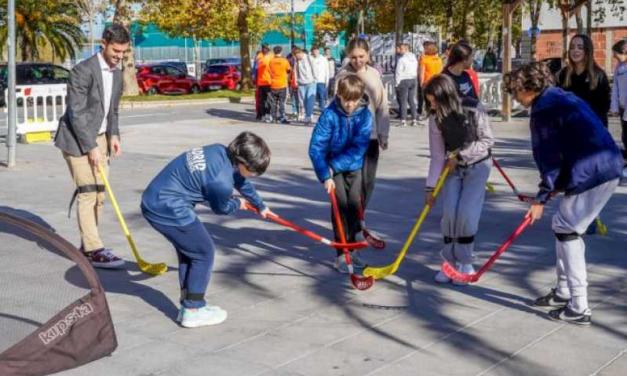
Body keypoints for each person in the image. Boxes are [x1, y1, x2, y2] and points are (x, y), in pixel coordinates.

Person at [504, 63, 622, 325]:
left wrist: (542, 198)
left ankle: (579, 305)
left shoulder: (543, 110)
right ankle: (564, 291)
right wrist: (554, 187)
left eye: (515, 92)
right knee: (564, 227)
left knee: (567, 229)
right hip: (605, 164)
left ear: (527, 88)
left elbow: (548, 158)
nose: (514, 98)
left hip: (592, 172)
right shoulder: (559, 96)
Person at [141, 132, 273, 328]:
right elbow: (221, 207)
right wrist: (238, 204)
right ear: (242, 162)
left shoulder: (219, 151)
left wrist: (260, 205)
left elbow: (240, 180)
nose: (254, 175)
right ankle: (194, 310)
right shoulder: (220, 182)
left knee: (190, 252)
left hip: (155, 198)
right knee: (204, 252)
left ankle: (189, 306)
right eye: (253, 171)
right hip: (168, 208)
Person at [55, 24, 129, 268]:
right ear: (103, 44)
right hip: (77, 139)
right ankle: (95, 248)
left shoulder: (117, 74)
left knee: (100, 194)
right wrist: (91, 147)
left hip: (100, 139)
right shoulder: (82, 71)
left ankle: (88, 245)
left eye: (123, 52)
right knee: (87, 191)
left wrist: (113, 135)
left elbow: (113, 110)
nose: (119, 56)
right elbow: (76, 114)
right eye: (115, 51)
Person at [424, 75, 494, 285]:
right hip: (451, 168)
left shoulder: (473, 108)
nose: (432, 105)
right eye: (429, 102)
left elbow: (488, 140)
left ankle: (465, 260)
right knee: (449, 214)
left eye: (435, 101)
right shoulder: (435, 118)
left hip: (478, 165)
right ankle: (448, 261)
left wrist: (461, 155)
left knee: (466, 214)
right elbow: (437, 155)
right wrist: (430, 187)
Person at [308, 74, 372, 273]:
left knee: (354, 206)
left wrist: (333, 166)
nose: (350, 104)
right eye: (346, 100)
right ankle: (341, 255)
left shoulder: (365, 115)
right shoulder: (329, 115)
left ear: (360, 96)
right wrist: (325, 174)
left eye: (354, 100)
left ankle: (353, 249)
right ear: (339, 95)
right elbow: (316, 147)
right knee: (339, 208)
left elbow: (359, 148)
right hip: (331, 169)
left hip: (352, 166)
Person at [334, 38, 390, 247]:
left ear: (368, 54)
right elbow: (335, 108)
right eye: (353, 57)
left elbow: (382, 106)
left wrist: (383, 133)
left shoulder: (374, 75)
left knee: (368, 184)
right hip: (349, 141)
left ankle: (359, 220)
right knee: (351, 188)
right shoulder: (342, 77)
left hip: (371, 138)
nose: (357, 61)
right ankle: (352, 227)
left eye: (361, 56)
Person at [558, 34, 611, 127]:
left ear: (587, 50)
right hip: (569, 128)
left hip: (591, 128)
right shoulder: (563, 74)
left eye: (580, 47)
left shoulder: (598, 75)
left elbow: (604, 106)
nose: (575, 50)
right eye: (572, 47)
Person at [394, 43, 419, 127]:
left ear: (405, 49)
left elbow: (398, 72)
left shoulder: (402, 60)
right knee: (411, 100)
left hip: (404, 80)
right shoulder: (414, 58)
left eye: (401, 49)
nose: (399, 50)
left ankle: (403, 120)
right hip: (413, 79)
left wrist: (397, 83)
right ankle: (414, 119)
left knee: (403, 101)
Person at [610, 39, 627, 158]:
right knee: (625, 134)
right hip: (622, 106)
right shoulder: (618, 67)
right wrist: (614, 107)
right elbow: (615, 88)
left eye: (616, 54)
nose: (614, 56)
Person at [419, 41, 444, 120]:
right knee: (436, 98)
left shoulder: (424, 59)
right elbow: (441, 71)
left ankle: (426, 114)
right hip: (437, 81)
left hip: (427, 82)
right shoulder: (439, 59)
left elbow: (421, 73)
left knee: (426, 99)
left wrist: (421, 83)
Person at [268, 46, 291, 124]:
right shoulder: (284, 61)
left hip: (273, 84)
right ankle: (282, 118)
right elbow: (288, 70)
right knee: (282, 102)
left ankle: (273, 118)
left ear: (274, 52)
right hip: (282, 84)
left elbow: (269, 71)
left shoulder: (271, 61)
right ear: (281, 51)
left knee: (273, 102)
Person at [295, 47, 317, 125]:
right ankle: (307, 114)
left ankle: (309, 115)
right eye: (296, 56)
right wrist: (296, 81)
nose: (297, 57)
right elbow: (295, 71)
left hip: (310, 82)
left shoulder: (309, 58)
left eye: (297, 56)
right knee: (303, 100)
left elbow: (314, 68)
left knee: (309, 99)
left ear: (301, 53)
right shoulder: (297, 61)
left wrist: (315, 78)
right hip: (301, 83)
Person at [256, 44, 273, 122]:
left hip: (269, 81)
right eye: (263, 48)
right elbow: (259, 64)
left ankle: (268, 114)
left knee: (269, 100)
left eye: (265, 48)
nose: (264, 50)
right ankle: (263, 115)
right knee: (262, 100)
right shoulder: (260, 56)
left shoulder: (271, 56)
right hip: (261, 82)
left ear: (268, 49)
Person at [311, 46, 330, 112]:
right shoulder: (311, 59)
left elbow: (327, 70)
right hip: (313, 81)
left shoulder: (323, 59)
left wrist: (327, 80)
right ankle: (312, 109)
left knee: (321, 95)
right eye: (314, 51)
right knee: (313, 96)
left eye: (316, 51)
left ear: (318, 51)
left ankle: (322, 109)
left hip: (321, 80)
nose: (315, 52)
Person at [286, 46, 301, 119]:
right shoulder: (288, 57)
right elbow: (287, 68)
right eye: (293, 51)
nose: (294, 53)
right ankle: (294, 110)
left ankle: (299, 111)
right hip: (291, 80)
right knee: (292, 97)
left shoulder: (300, 60)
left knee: (298, 97)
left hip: (298, 80)